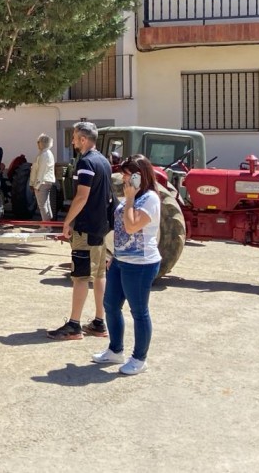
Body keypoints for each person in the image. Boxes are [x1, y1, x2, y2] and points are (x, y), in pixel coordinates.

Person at [92, 154, 161, 375]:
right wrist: (116, 254)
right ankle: (115, 350)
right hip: (122, 260)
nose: (124, 179)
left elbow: (132, 227)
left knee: (139, 311)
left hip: (141, 264)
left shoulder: (150, 198)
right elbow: (121, 229)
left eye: (127, 175)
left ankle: (139, 359)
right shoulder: (131, 196)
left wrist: (130, 198)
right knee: (110, 305)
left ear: (140, 177)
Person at [48, 122, 113, 341]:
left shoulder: (86, 162)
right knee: (99, 274)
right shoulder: (103, 161)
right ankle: (99, 321)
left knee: (81, 277)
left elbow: (82, 196)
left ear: (84, 139)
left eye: (75, 137)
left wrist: (68, 221)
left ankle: (74, 326)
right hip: (100, 228)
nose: (73, 141)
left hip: (85, 228)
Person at [30, 133, 57, 222]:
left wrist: (36, 185)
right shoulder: (45, 153)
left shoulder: (44, 154)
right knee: (46, 204)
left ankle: (47, 226)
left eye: (38, 142)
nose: (37, 144)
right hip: (45, 182)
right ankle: (48, 223)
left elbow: (41, 171)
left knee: (42, 205)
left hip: (42, 182)